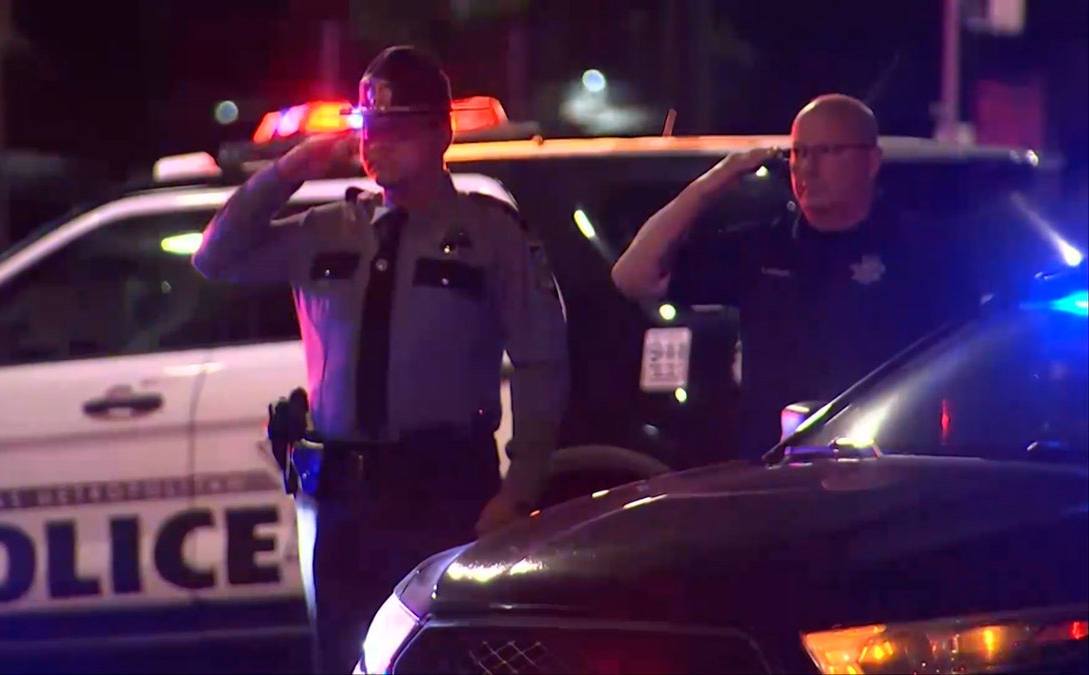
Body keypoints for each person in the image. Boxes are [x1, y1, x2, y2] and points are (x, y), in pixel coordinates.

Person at [192, 45, 569, 674]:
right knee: (345, 657)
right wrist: (287, 170)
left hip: (445, 487)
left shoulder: (491, 232)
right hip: (342, 498)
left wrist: (519, 489)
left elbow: (542, 359)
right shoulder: (328, 228)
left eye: (396, 129)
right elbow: (215, 258)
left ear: (440, 132)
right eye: (369, 128)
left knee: (438, 658)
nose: (377, 144)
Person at [612, 94, 980, 458]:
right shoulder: (764, 246)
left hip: (892, 466)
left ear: (871, 161)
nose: (807, 168)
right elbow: (632, 275)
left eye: (827, 152)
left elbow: (970, 368)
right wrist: (715, 181)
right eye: (799, 153)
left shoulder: (922, 252)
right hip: (777, 470)